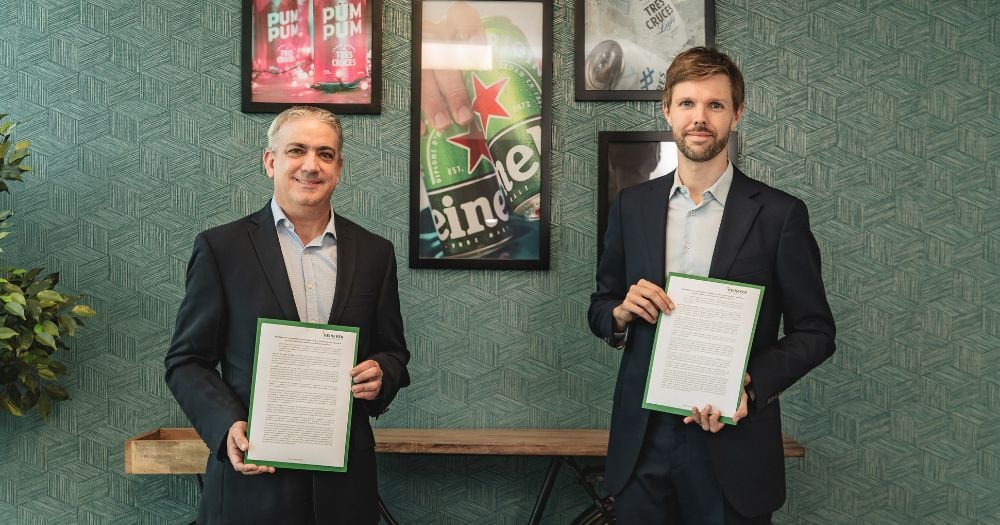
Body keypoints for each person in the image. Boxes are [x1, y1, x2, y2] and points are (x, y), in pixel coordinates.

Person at [588, 47, 835, 524]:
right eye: (687, 103)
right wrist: (619, 313)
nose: (699, 117)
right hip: (643, 444)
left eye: (715, 105)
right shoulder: (631, 206)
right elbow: (601, 305)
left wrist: (750, 386)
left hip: (734, 443)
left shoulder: (781, 215)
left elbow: (816, 332)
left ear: (736, 115)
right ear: (667, 110)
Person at [165, 106, 410, 524]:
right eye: (297, 150)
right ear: (270, 161)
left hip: (344, 489)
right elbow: (186, 361)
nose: (311, 165)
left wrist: (382, 372)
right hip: (252, 484)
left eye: (325, 154)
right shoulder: (221, 249)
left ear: (339, 168)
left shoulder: (375, 253)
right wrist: (226, 425)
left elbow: (393, 351)